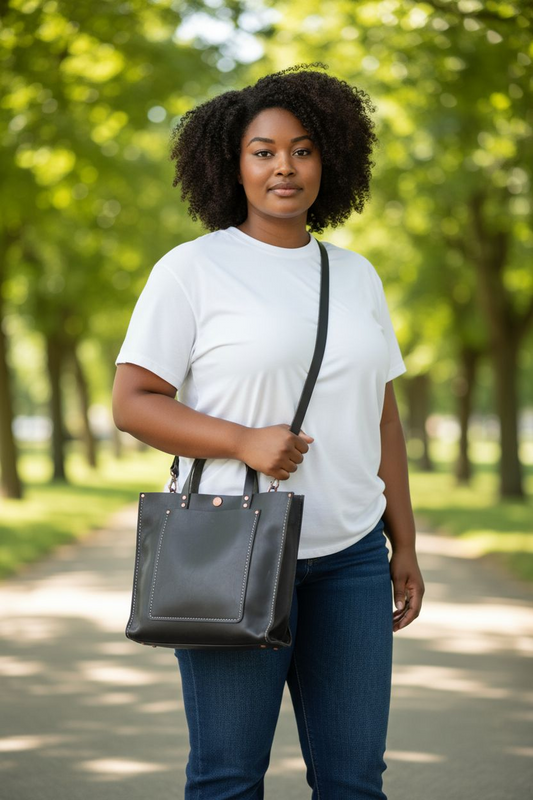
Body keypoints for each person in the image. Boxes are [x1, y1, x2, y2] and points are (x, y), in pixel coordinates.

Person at [112, 62, 425, 800]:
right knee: (227, 777)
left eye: (303, 149)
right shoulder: (192, 270)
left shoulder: (356, 276)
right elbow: (132, 401)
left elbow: (381, 414)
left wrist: (403, 543)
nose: (284, 166)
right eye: (264, 151)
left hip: (351, 558)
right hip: (233, 548)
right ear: (234, 164)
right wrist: (240, 440)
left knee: (355, 781)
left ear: (329, 161)